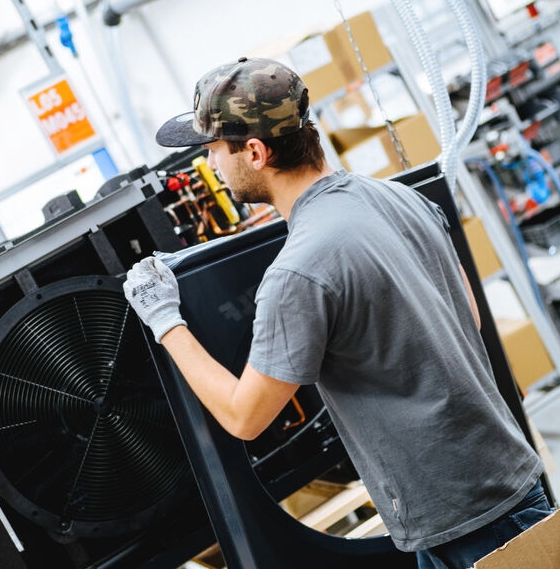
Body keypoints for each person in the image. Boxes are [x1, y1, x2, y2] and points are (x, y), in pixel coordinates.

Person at [122, 56, 552, 569]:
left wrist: (164, 318)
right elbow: (468, 318)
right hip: (496, 487)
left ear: (255, 152)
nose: (211, 165)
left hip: (468, 519)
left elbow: (245, 416)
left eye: (213, 150)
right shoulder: (400, 197)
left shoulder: (299, 272)